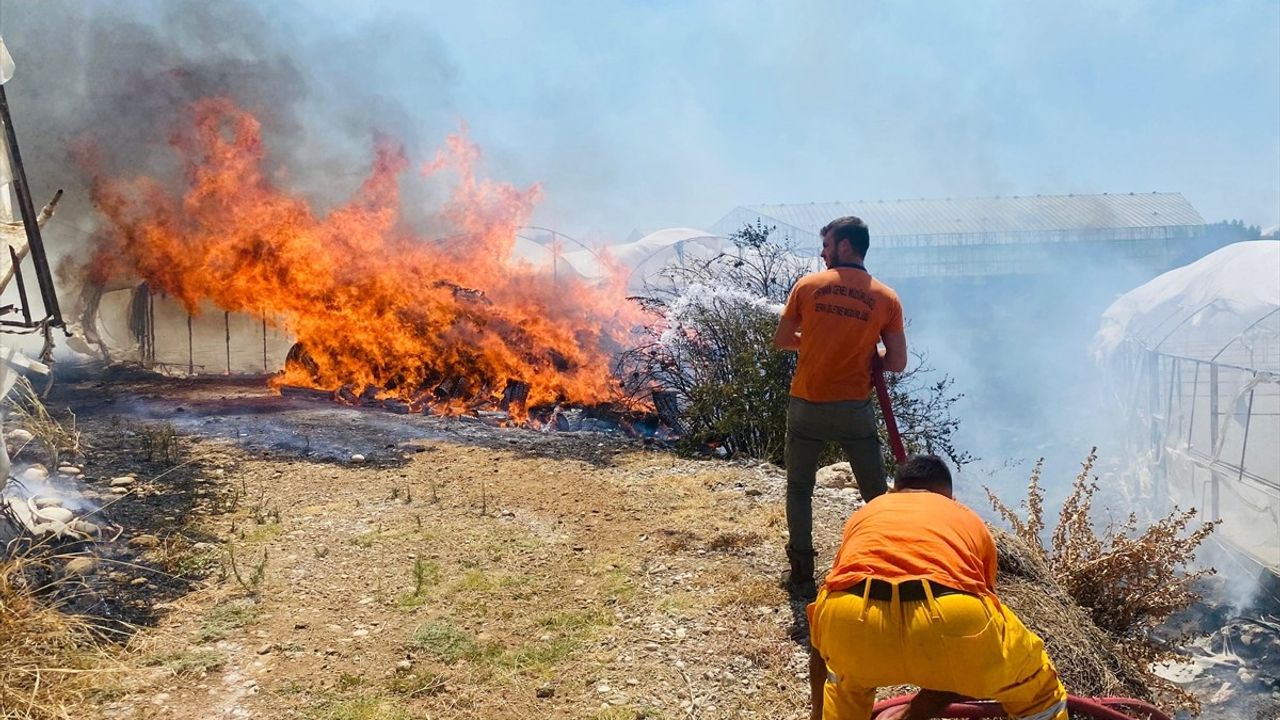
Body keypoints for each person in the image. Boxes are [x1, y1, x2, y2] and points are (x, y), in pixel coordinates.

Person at [807, 455, 1069, 720]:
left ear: (895, 491)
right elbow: (970, 640)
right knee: (1040, 693)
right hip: (951, 615)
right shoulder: (966, 516)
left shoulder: (868, 511)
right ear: (949, 498)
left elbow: (836, 587)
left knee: (840, 671)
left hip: (851, 617)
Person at [773, 215, 907, 597]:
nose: (823, 253)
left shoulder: (808, 286)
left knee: (800, 487)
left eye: (827, 245)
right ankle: (889, 568)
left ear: (845, 245)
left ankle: (802, 574)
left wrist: (816, 342)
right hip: (854, 409)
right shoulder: (886, 298)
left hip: (807, 404)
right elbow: (897, 362)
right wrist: (863, 350)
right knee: (875, 493)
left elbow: (782, 339)